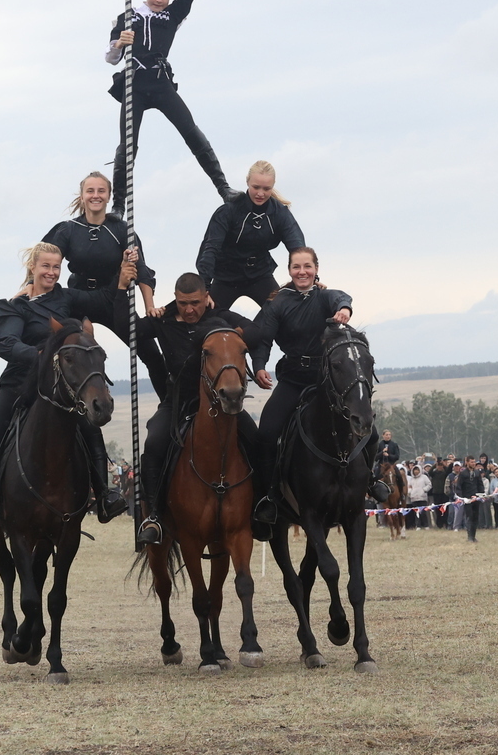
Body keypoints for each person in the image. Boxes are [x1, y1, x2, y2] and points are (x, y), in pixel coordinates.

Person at [0, 242, 130, 531]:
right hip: (20, 381)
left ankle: (105, 495)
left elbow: (101, 299)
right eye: (46, 266)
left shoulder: (66, 298)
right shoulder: (13, 306)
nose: (52, 272)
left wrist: (121, 276)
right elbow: (5, 342)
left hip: (60, 384)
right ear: (33, 266)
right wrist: (39, 356)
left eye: (56, 267)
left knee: (90, 427)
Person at [243, 247, 379, 530]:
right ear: (289, 270)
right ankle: (267, 497)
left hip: (328, 381)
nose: (302, 272)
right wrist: (259, 366)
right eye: (296, 267)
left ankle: (371, 482)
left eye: (307, 266)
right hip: (293, 378)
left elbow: (341, 297)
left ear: (316, 269)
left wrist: (344, 310)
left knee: (371, 430)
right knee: (266, 432)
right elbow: (263, 340)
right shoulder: (278, 303)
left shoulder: (324, 297)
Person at [105, 0, 234, 210]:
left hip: (161, 83)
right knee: (128, 145)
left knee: (191, 131)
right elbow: (110, 58)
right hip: (135, 85)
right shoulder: (128, 17)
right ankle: (118, 206)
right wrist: (120, 43)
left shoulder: (172, 15)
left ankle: (224, 188)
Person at [130, 272, 262, 546]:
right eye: (182, 303)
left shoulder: (219, 317)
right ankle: (153, 516)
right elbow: (129, 328)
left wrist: (228, 332)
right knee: (154, 443)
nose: (189, 310)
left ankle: (262, 506)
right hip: (178, 401)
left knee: (255, 439)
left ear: (206, 298)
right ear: (175, 300)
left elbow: (255, 331)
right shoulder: (164, 320)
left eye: (195, 303)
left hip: (220, 402)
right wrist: (131, 292)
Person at [43, 172, 158, 338]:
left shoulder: (122, 229)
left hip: (112, 297)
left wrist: (150, 307)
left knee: (148, 348)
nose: (95, 195)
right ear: (82, 196)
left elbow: (141, 269)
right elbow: (44, 262)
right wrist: (30, 287)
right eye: (90, 191)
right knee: (53, 339)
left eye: (101, 191)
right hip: (77, 297)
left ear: (109, 196)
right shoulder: (67, 229)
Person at [195, 161, 307, 313]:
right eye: (256, 187)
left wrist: (311, 280)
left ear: (273, 186)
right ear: (247, 182)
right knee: (206, 317)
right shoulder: (228, 211)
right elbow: (210, 250)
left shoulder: (280, 213)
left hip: (260, 276)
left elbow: (299, 250)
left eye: (266, 189)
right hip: (226, 277)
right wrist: (204, 288)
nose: (260, 193)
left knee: (286, 314)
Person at [452, 457, 485, 543]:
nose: (473, 464)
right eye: (471, 462)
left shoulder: (477, 473)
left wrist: (481, 494)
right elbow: (459, 486)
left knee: (475, 517)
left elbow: (480, 485)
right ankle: (470, 536)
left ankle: (473, 536)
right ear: (467, 462)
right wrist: (462, 498)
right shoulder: (463, 474)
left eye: (474, 462)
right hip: (467, 499)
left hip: (476, 498)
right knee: (469, 517)